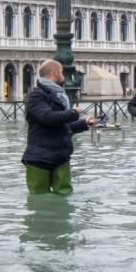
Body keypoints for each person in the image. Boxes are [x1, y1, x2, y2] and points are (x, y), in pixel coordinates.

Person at [22, 59, 96, 194]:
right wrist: (73, 113)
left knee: (64, 194)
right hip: (40, 156)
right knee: (39, 198)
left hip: (61, 155)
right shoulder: (36, 96)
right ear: (55, 72)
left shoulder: (60, 95)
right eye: (62, 72)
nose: (64, 75)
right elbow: (48, 117)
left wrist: (85, 123)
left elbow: (64, 127)